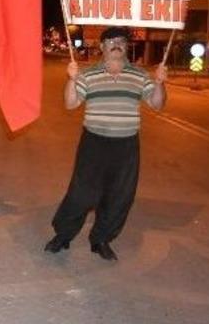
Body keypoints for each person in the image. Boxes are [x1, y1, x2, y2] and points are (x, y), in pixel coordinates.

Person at [45, 27, 167, 261]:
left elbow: (157, 104)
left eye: (121, 40)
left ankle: (101, 239)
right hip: (94, 143)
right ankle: (64, 235)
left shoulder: (140, 76)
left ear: (126, 46)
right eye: (110, 40)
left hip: (126, 146)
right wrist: (72, 79)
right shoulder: (89, 75)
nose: (116, 44)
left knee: (119, 196)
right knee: (81, 194)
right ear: (101, 47)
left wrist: (160, 83)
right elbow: (70, 103)